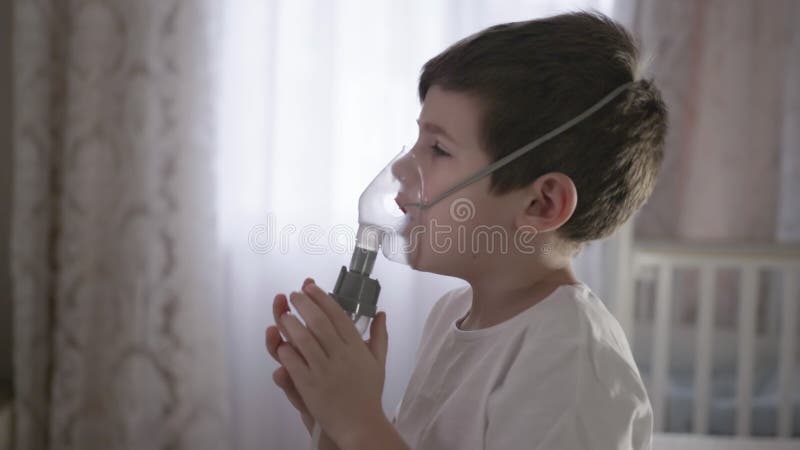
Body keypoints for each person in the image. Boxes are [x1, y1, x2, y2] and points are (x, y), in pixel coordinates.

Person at [265, 10, 667, 450]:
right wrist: (331, 421)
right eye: (417, 140)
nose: (401, 168)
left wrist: (360, 422)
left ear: (542, 203)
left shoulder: (571, 364)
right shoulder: (451, 317)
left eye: (438, 149)